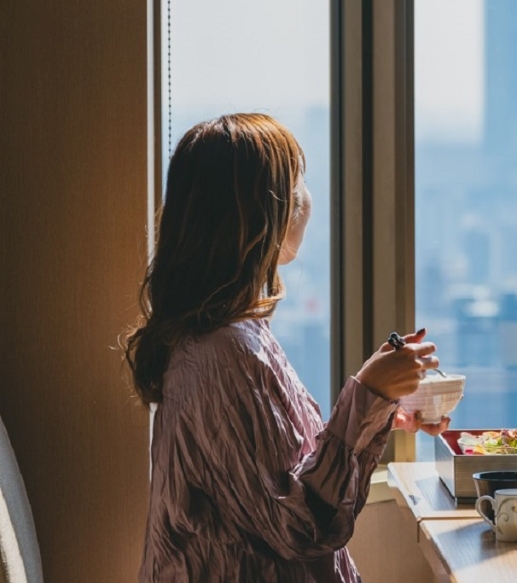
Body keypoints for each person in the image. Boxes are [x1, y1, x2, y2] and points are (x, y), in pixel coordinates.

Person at [123, 113, 448, 582]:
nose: (308, 201)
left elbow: (277, 476)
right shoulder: (227, 353)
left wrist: (378, 410)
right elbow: (305, 524)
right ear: (261, 212)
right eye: (297, 184)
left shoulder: (220, 337)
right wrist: (367, 394)